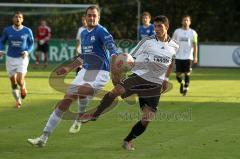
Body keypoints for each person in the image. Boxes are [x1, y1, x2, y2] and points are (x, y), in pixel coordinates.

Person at [81, 15, 179, 151]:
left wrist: (166, 79)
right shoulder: (147, 41)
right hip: (139, 77)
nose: (156, 29)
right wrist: (119, 70)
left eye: (159, 26)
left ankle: (128, 140)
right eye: (155, 26)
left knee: (147, 119)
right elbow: (130, 57)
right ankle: (95, 114)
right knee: (116, 91)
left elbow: (171, 62)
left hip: (155, 85)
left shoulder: (174, 46)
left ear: (166, 27)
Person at [27, 5, 118, 147]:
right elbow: (83, 56)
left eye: (94, 15)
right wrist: (68, 68)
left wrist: (115, 66)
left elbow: (113, 49)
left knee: (79, 90)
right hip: (85, 71)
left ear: (98, 17)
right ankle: (43, 138)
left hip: (101, 73)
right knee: (65, 101)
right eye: (89, 15)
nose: (92, 18)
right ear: (85, 17)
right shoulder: (83, 33)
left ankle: (89, 107)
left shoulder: (101, 31)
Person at [0, 11, 34, 108]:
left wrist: (27, 52)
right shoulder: (7, 30)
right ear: (13, 19)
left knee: (19, 79)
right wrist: (1, 50)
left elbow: (31, 44)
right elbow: (2, 41)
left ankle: (23, 87)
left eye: (20, 17)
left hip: (22, 58)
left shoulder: (27, 30)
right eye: (16, 17)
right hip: (10, 58)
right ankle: (18, 101)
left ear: (22, 19)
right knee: (13, 82)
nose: (18, 19)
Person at [68, 14, 87, 133]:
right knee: (80, 82)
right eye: (83, 19)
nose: (85, 21)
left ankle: (82, 112)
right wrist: (78, 51)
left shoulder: (96, 30)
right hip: (81, 55)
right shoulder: (81, 30)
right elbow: (78, 42)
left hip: (91, 58)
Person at [172, 15, 198, 96]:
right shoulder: (177, 32)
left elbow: (195, 45)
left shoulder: (193, 32)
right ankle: (182, 83)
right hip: (178, 56)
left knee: (187, 73)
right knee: (178, 74)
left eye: (187, 20)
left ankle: (186, 88)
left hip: (188, 56)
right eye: (184, 20)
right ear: (181, 22)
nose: (185, 21)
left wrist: (195, 56)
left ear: (190, 22)